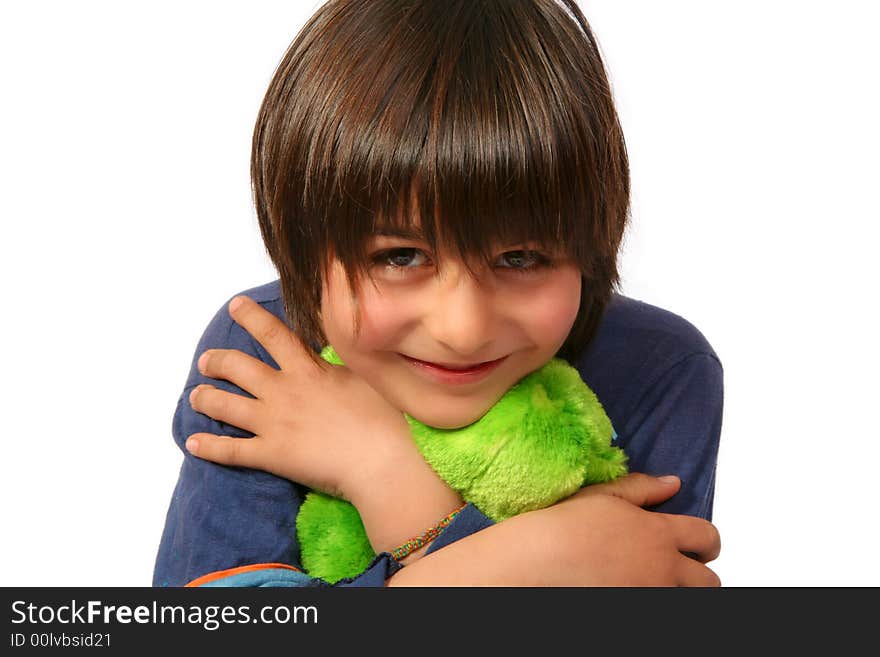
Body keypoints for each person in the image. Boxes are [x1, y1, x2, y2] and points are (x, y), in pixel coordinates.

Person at [153, 0, 723, 587]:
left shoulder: (660, 367)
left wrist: (415, 510)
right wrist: (500, 557)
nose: (464, 328)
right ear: (300, 250)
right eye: (401, 256)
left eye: (521, 258)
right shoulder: (267, 355)